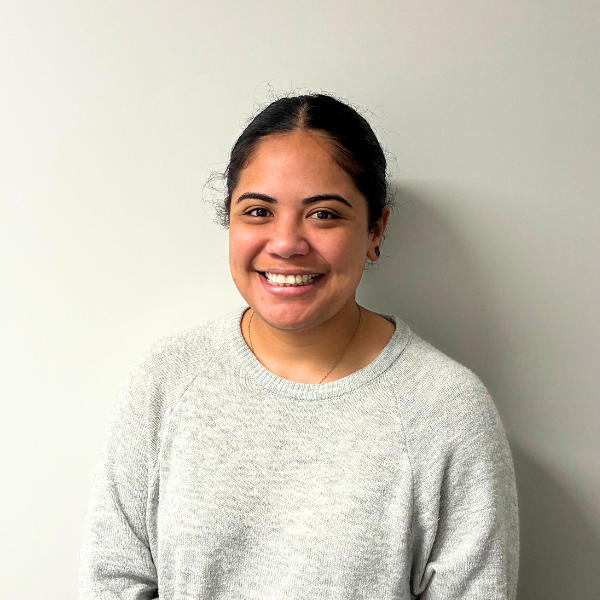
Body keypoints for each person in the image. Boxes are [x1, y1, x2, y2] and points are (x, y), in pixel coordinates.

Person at [79, 93, 519, 599]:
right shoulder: (167, 379)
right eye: (258, 211)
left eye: (324, 214)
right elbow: (113, 581)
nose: (286, 243)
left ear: (375, 230)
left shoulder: (446, 408)